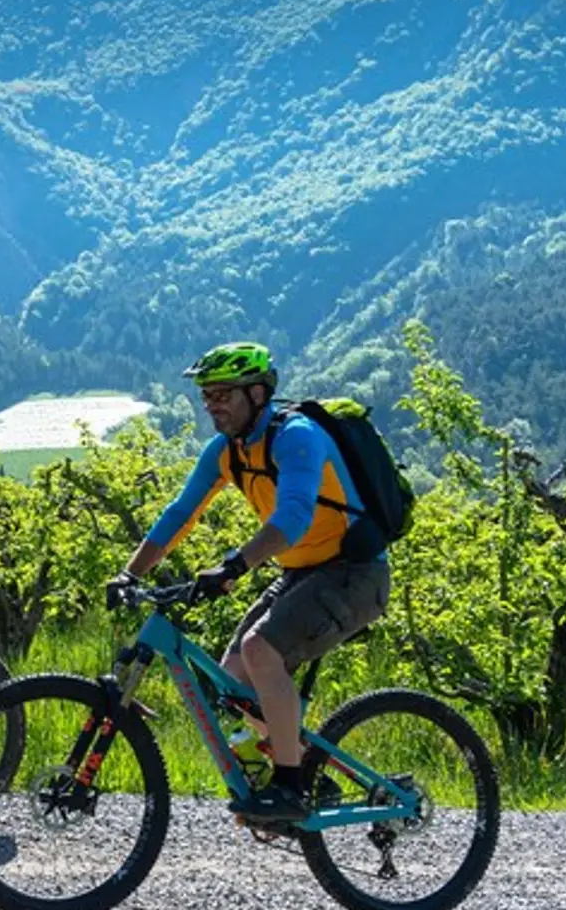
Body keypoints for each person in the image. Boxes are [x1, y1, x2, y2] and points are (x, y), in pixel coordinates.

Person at [109, 341, 391, 822]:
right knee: (233, 679)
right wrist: (129, 572)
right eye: (207, 396)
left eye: (223, 394)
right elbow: (180, 513)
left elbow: (294, 517)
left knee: (261, 651)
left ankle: (289, 787)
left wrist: (235, 565)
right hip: (301, 572)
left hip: (355, 571)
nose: (212, 405)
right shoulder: (226, 452)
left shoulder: (296, 437)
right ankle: (306, 769)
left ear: (258, 394)